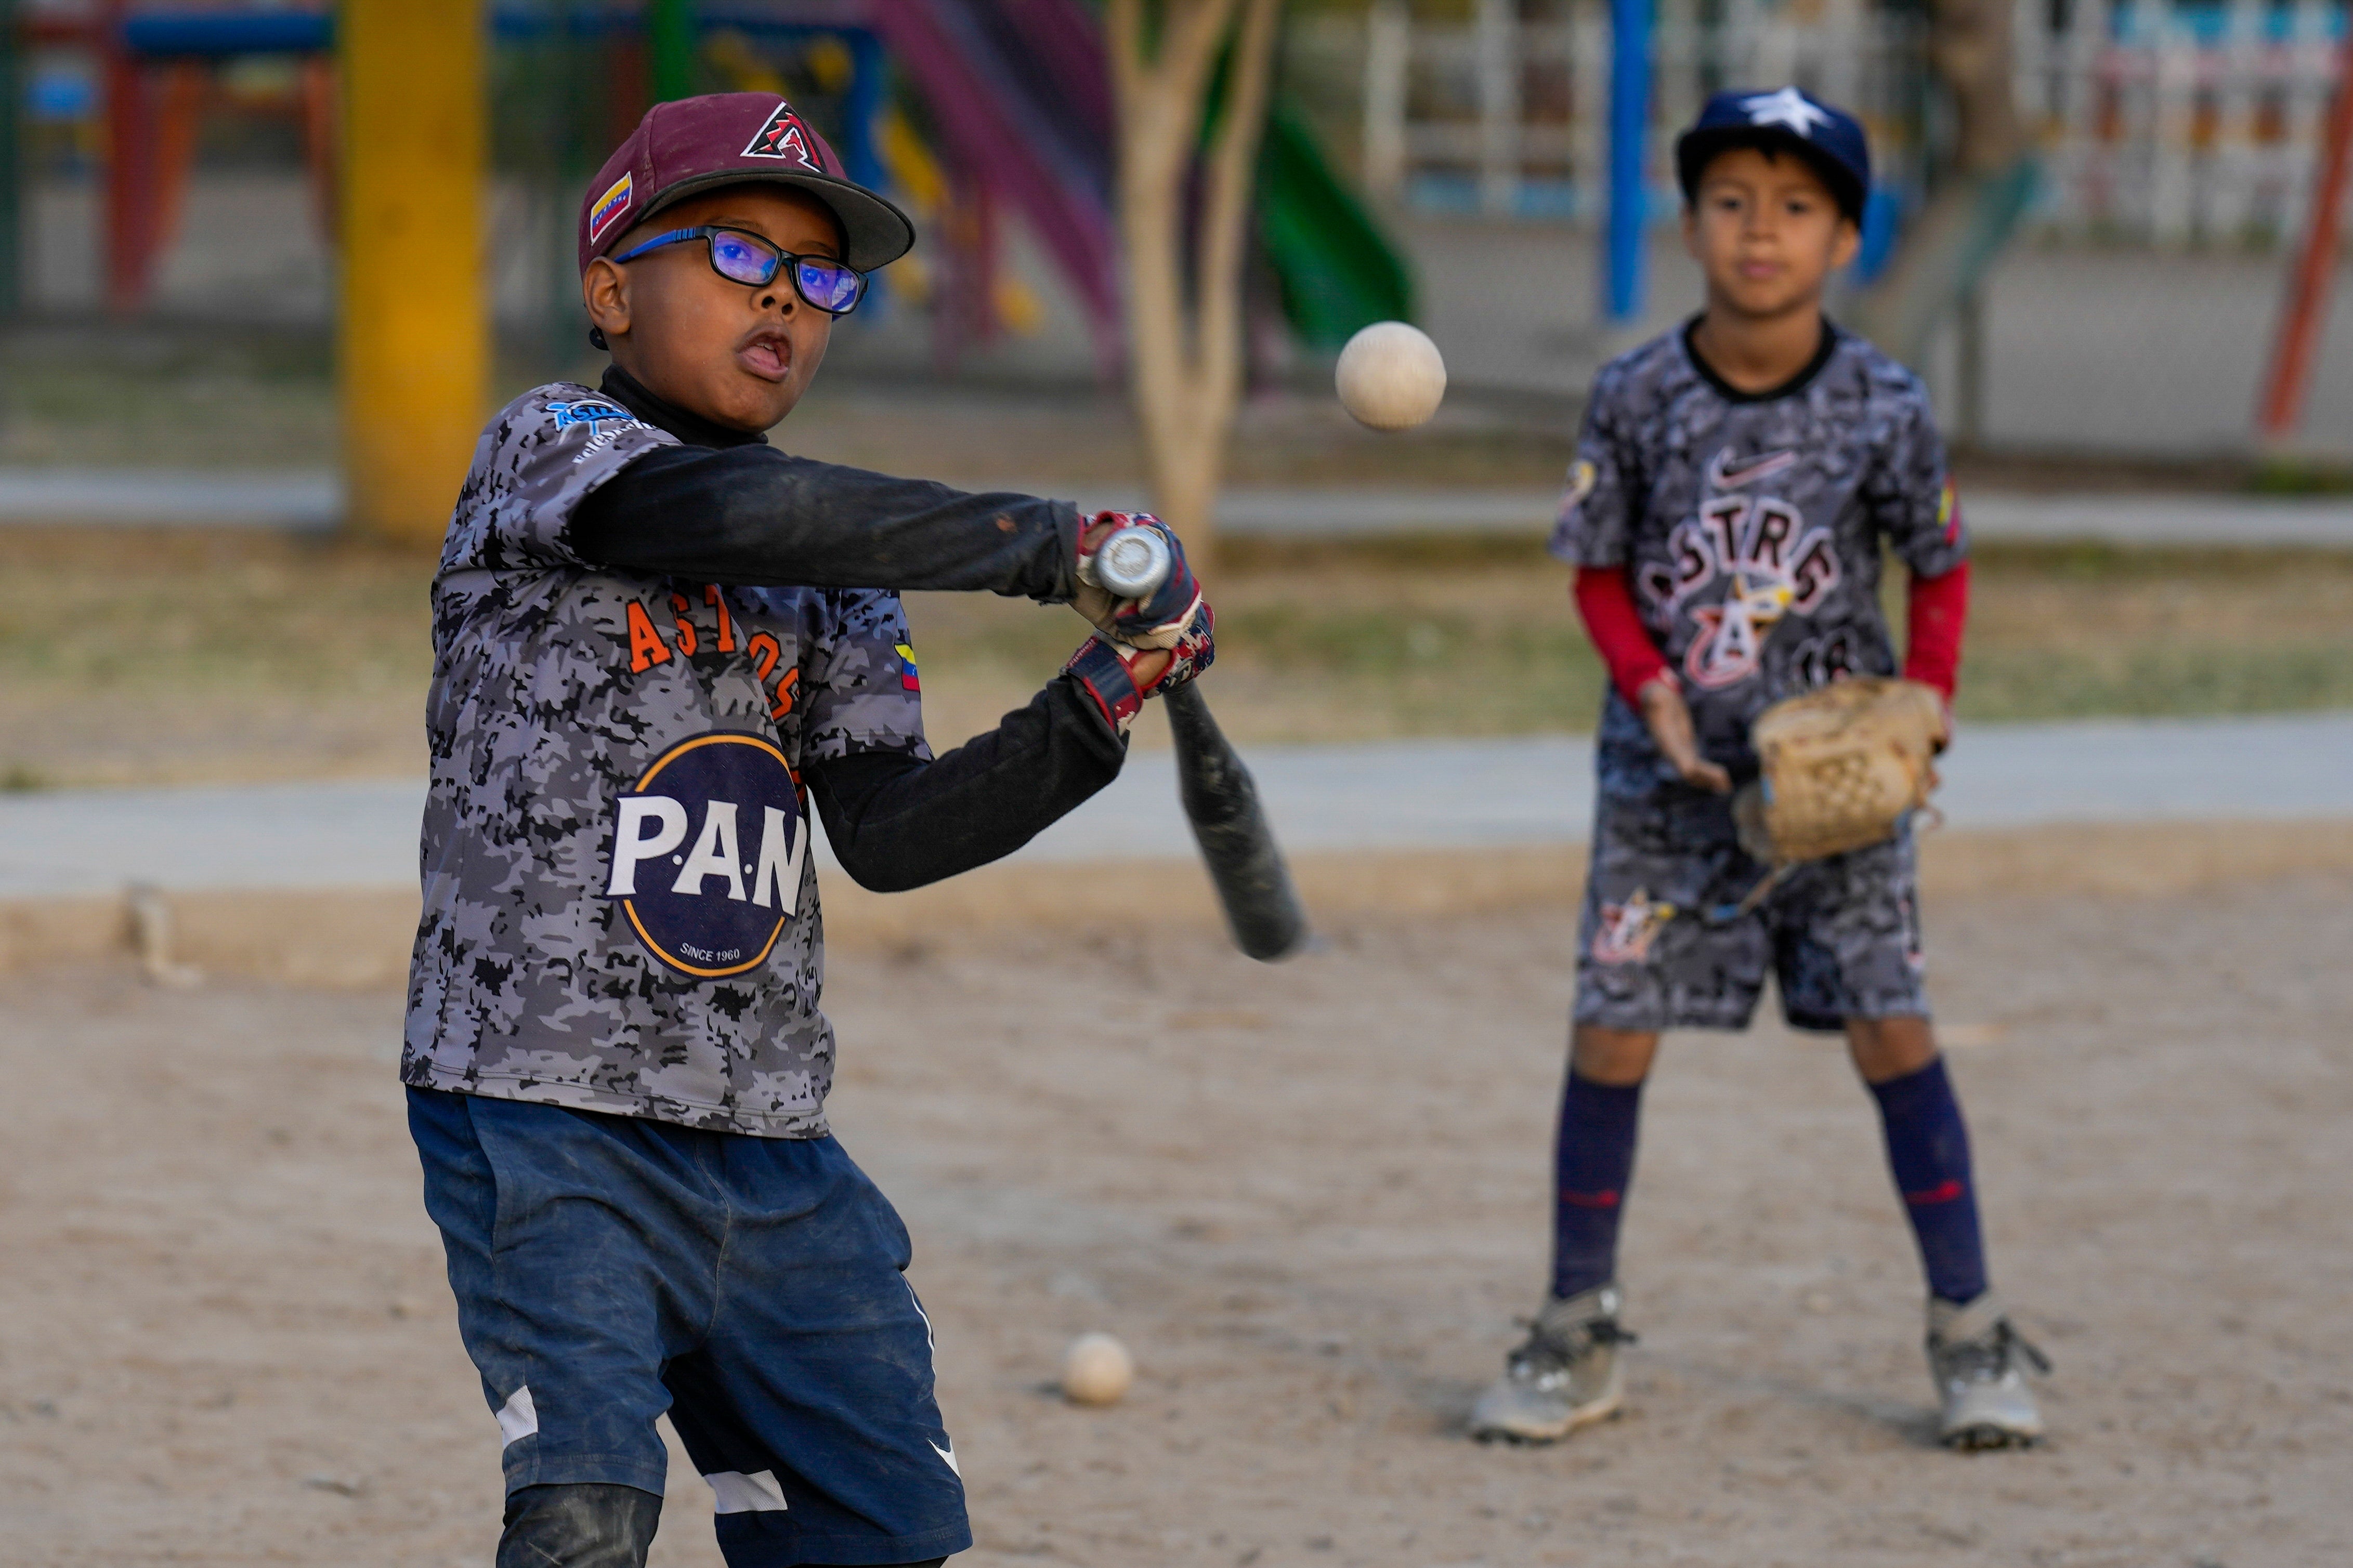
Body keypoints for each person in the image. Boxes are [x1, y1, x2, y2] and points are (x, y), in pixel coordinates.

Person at [402, 93, 1212, 1567]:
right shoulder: (550, 450)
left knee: (879, 1530)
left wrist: (1101, 697)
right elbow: (720, 517)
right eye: (733, 252)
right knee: (586, 1510)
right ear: (610, 290)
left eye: (818, 273)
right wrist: (1048, 543)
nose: (781, 293)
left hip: (768, 1135)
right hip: (544, 1110)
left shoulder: (837, 571)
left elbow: (893, 832)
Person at [1468, 86, 2047, 1451]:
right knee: (1612, 1028)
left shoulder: (1883, 404)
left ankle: (1970, 1330)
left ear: (1845, 238)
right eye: (1731, 201)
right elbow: (1599, 569)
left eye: (1796, 206)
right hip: (1664, 788)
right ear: (1692, 225)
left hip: (1839, 788)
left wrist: (1931, 698)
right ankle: (1575, 1329)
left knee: (1892, 1025)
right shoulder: (1636, 395)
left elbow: (1942, 562)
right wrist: (1651, 687)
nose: (1761, 230)